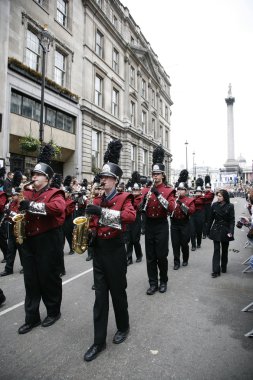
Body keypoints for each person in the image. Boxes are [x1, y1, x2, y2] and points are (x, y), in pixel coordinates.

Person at [83, 140, 136, 362]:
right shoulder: (96, 198)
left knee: (118, 292)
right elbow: (93, 223)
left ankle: (123, 327)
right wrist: (89, 230)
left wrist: (101, 213)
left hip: (115, 251)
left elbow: (129, 218)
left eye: (105, 177)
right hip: (99, 252)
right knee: (100, 298)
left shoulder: (124, 198)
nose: (101, 180)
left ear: (115, 180)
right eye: (101, 177)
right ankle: (98, 342)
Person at [17, 144, 66, 334]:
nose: (33, 177)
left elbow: (57, 209)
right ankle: (32, 318)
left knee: (48, 277)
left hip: (47, 239)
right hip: (29, 240)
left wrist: (30, 206)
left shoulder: (55, 193)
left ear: (47, 178)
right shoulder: (27, 192)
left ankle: (53, 311)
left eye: (37, 175)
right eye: (33, 174)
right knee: (31, 280)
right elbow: (18, 208)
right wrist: (16, 210)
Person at [141, 146, 174, 295]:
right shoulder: (146, 190)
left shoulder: (168, 191)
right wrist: (142, 204)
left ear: (163, 175)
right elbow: (138, 206)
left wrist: (158, 195)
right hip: (149, 224)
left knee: (161, 256)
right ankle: (152, 283)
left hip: (161, 224)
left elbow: (171, 208)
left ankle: (164, 281)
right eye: (153, 174)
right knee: (150, 256)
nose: (154, 176)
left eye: (157, 174)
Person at [207, 189, 235, 278]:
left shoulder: (230, 206)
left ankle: (224, 266)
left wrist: (231, 231)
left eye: (220, 196)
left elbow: (232, 221)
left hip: (226, 230)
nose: (218, 197)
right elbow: (210, 219)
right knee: (216, 250)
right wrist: (207, 231)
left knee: (225, 249)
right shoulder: (214, 205)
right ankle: (216, 270)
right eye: (217, 196)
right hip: (216, 229)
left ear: (224, 197)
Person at [169, 181, 196, 270]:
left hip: (184, 223)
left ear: (186, 191)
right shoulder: (173, 199)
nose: (179, 191)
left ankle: (185, 259)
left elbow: (191, 211)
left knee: (184, 243)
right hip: (174, 223)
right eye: (178, 189)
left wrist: (182, 205)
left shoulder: (190, 200)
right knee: (175, 244)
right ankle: (176, 262)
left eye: (182, 189)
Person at [0, 188, 24, 276]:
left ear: (18, 195)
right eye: (12, 195)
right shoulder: (11, 203)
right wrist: (6, 215)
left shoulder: (22, 203)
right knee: (10, 250)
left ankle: (25, 266)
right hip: (11, 227)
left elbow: (19, 216)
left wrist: (9, 212)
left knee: (22, 249)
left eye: (14, 195)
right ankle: (8, 269)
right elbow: (8, 214)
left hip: (19, 227)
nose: (12, 196)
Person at [126, 182, 143, 265]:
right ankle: (129, 258)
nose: (135, 191)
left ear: (139, 191)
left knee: (135, 240)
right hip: (129, 220)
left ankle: (139, 255)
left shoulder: (141, 198)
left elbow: (140, 209)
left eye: (137, 190)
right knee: (128, 240)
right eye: (134, 190)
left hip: (137, 220)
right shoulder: (129, 198)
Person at [190, 186, 205, 251]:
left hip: (200, 215)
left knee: (199, 231)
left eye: (199, 192)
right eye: (197, 192)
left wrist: (192, 198)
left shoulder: (202, 198)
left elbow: (198, 202)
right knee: (192, 231)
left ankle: (198, 243)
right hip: (193, 215)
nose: (198, 193)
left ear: (201, 192)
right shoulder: (193, 197)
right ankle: (193, 245)